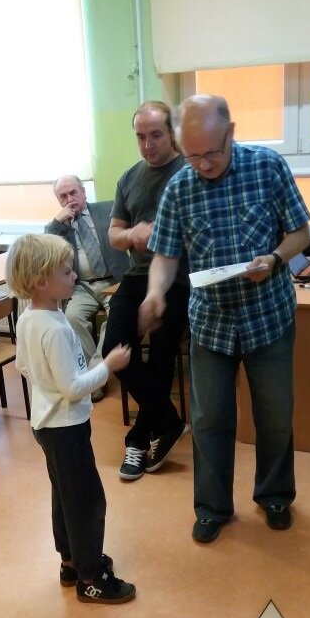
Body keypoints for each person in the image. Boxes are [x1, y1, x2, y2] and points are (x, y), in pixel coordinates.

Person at [139, 94, 310, 541]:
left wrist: (274, 259)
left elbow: (301, 233)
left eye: (212, 153)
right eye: (192, 155)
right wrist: (156, 292)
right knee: (209, 420)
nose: (203, 164)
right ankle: (212, 508)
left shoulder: (267, 167)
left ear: (231, 133)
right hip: (211, 325)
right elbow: (165, 256)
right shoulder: (180, 187)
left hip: (267, 317)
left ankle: (275, 495)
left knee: (275, 416)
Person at [5, 233, 136, 604]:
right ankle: (91, 577)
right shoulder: (54, 328)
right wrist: (107, 366)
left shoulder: (29, 318)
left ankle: (71, 561)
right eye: (66, 271)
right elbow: (74, 387)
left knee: (65, 496)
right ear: (39, 281)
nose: (74, 275)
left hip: (47, 425)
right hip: (65, 427)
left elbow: (23, 366)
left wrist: (49, 384)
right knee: (87, 503)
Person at [102, 100, 190, 481]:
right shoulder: (128, 178)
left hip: (179, 279)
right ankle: (169, 422)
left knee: (160, 360)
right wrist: (132, 234)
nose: (148, 145)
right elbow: (114, 234)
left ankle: (138, 440)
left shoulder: (189, 172)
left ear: (171, 133)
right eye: (141, 137)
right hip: (136, 275)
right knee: (114, 350)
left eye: (155, 135)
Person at [45, 175, 129, 402]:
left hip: (115, 282)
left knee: (115, 318)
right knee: (72, 317)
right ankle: (91, 374)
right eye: (63, 196)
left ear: (83, 192)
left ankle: (96, 373)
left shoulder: (108, 210)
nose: (70, 199)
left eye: (73, 192)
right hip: (81, 286)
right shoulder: (59, 226)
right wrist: (56, 224)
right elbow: (45, 252)